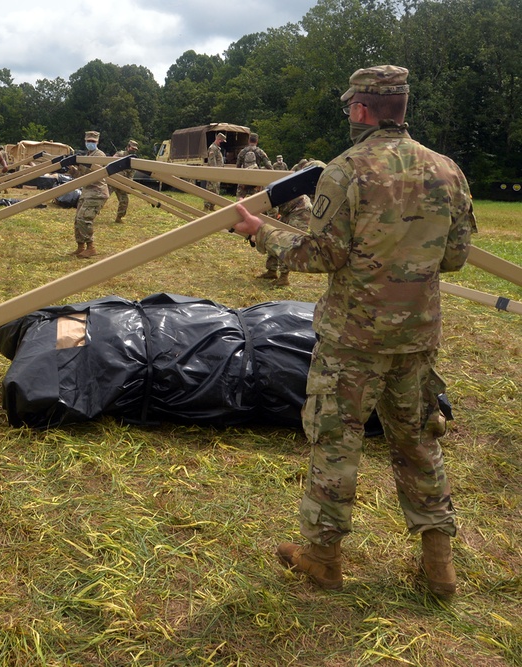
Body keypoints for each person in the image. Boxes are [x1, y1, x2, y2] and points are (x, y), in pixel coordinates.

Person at [232, 65, 476, 597]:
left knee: (335, 443)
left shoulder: (344, 172)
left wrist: (260, 233)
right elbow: (455, 258)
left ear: (361, 110)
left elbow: (322, 254)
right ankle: (440, 569)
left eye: (349, 108)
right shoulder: (447, 170)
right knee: (418, 445)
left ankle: (323, 558)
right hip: (416, 339)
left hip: (353, 341)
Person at [68, 130, 109, 258]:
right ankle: (80, 247)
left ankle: (91, 247)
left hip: (97, 192)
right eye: (88, 141)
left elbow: (95, 173)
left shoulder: (99, 155)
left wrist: (81, 161)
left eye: (93, 141)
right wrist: (71, 169)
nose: (90, 143)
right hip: (87, 191)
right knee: (77, 220)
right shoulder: (86, 154)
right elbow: (81, 176)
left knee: (84, 219)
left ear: (97, 142)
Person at [235, 133, 273, 199]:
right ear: (257, 141)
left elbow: (238, 166)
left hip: (244, 179)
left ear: (248, 141)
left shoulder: (242, 152)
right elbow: (268, 166)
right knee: (256, 200)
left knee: (240, 199)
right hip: (256, 180)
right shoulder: (260, 152)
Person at [110, 139, 138, 223]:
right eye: (132, 148)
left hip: (121, 183)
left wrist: (129, 186)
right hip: (112, 180)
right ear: (127, 147)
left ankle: (119, 218)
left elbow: (131, 176)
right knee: (103, 196)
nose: (133, 151)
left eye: (135, 149)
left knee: (124, 200)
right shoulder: (119, 154)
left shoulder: (134, 161)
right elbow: (109, 164)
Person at [202, 132, 227, 212]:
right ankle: (206, 206)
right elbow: (212, 161)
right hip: (213, 173)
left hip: (217, 173)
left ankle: (212, 206)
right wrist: (215, 171)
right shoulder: (213, 148)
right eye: (222, 141)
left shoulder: (217, 148)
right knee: (210, 189)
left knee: (216, 190)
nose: (222, 143)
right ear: (219, 140)